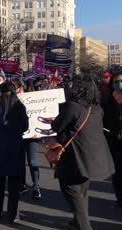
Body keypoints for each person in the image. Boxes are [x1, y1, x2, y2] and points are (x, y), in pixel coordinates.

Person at [50, 75, 114, 230]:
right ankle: (78, 223)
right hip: (91, 159)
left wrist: (54, 120)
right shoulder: (96, 108)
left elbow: (57, 126)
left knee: (72, 192)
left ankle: (84, 225)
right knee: (82, 193)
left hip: (74, 159)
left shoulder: (72, 107)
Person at [0, 82, 29, 223]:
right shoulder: (19, 107)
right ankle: (12, 214)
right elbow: (25, 126)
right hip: (15, 148)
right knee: (14, 185)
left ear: (0, 92)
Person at [12, 78, 42, 199]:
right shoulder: (11, 101)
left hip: (32, 136)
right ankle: (22, 185)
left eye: (14, 89)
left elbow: (40, 114)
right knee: (20, 162)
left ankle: (36, 186)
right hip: (18, 135)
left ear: (20, 88)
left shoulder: (32, 99)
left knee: (33, 161)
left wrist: (39, 130)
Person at [102, 72, 122, 207]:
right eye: (116, 81)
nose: (119, 84)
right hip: (114, 141)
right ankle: (120, 197)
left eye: (121, 81)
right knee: (117, 172)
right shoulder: (107, 100)